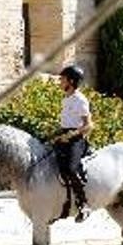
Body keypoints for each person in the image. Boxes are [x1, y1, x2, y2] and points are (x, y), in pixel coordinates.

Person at [52, 64, 94, 221]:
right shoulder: (66, 99)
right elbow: (66, 123)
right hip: (63, 137)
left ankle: (84, 204)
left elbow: (89, 125)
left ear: (70, 81)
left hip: (76, 141)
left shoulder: (80, 100)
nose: (60, 82)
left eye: (62, 79)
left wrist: (70, 135)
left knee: (70, 169)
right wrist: (54, 134)